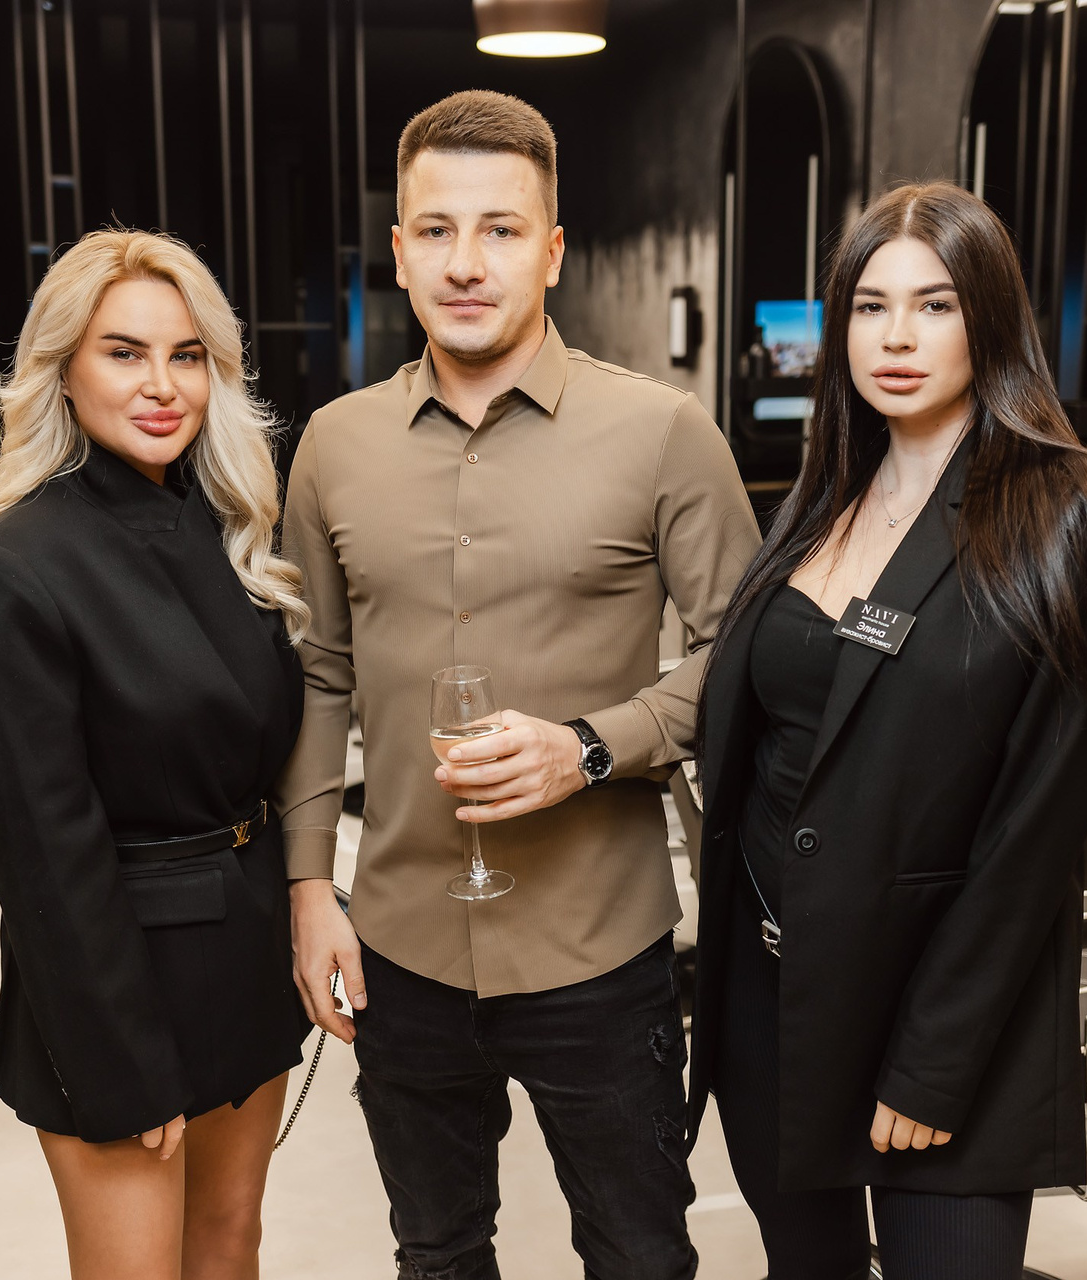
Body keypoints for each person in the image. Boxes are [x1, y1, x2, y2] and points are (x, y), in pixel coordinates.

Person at [278, 91, 760, 1280]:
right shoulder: (333, 444)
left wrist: (591, 745)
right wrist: (307, 887)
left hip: (601, 948)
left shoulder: (664, 433)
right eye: (437, 231)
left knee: (641, 1256)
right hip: (399, 945)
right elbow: (320, 673)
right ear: (399, 253)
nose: (466, 262)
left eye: (500, 229)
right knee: (437, 1254)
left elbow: (751, 659)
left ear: (552, 250)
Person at [688, 181, 1087, 1280]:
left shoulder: (1070, 511)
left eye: (934, 305)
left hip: (944, 1021)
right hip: (777, 999)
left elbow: (1033, 833)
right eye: (870, 306)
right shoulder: (820, 496)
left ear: (989, 317)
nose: (896, 337)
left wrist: (933, 1061)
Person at [0, 229, 312, 1280]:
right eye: (124, 352)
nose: (161, 385)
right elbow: (46, 851)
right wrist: (121, 1056)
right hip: (116, 977)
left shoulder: (227, 531)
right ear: (62, 369)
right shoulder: (14, 570)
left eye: (186, 355)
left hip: (239, 952)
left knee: (230, 1247)